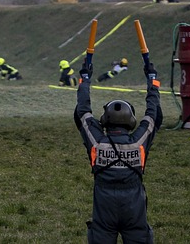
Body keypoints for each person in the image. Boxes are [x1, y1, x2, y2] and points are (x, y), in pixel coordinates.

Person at [75, 57, 163, 243]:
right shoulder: (139, 141)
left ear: (105, 119)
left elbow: (82, 112)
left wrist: (85, 79)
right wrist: (152, 79)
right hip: (134, 205)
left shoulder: (97, 143)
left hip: (104, 204)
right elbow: (153, 114)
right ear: (130, 120)